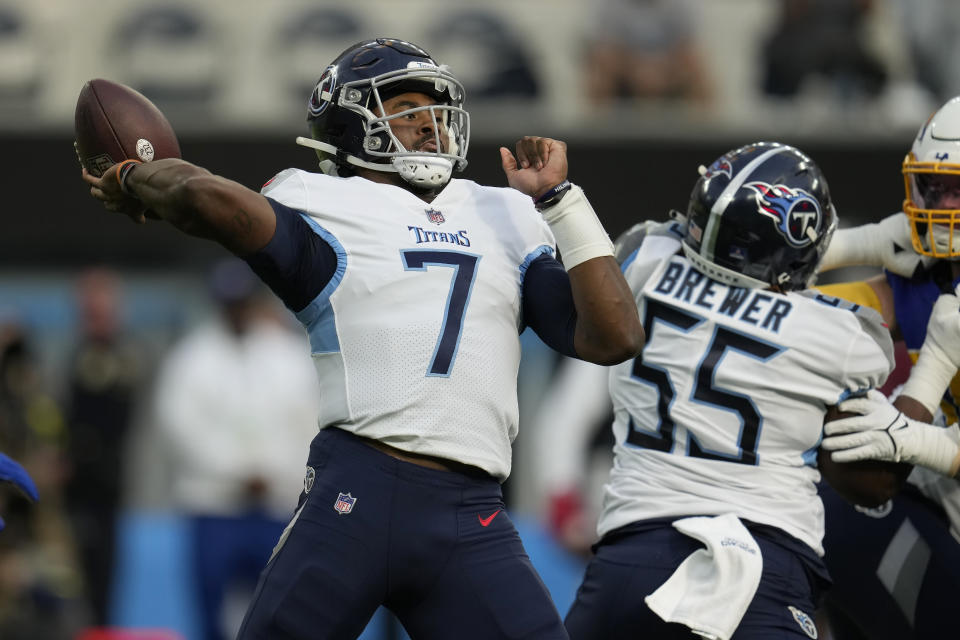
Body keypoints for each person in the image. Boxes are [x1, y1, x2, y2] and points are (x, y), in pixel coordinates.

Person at [81, 37, 643, 640]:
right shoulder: (322, 200)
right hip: (357, 492)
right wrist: (141, 175)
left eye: (435, 111)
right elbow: (207, 199)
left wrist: (563, 202)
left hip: (470, 508)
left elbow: (614, 336)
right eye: (406, 109)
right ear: (352, 123)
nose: (429, 126)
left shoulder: (506, 212)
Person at [563, 141, 898, 640]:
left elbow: (654, 244)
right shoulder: (845, 336)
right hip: (763, 561)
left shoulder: (644, 260)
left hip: (629, 559)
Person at [806, 95, 960, 639]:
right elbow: (810, 311)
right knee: (831, 510)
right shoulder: (925, 273)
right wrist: (798, 254)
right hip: (944, 508)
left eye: (956, 190)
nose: (940, 206)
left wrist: (913, 440)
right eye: (931, 186)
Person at [150, 258, 321, 640]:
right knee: (212, 613)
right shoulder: (191, 359)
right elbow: (181, 429)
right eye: (229, 302)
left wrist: (274, 474)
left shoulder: (288, 356)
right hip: (214, 506)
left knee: (282, 615)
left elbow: (309, 424)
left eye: (242, 300)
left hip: (279, 507)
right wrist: (240, 473)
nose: (237, 310)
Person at [62, 267, 143, 627]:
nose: (92, 317)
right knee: (67, 584)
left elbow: (113, 426)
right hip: (69, 492)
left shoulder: (123, 358)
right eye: (87, 309)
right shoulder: (75, 356)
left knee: (100, 583)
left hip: (102, 489)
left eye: (99, 308)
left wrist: (74, 458)